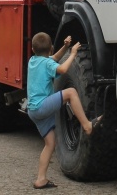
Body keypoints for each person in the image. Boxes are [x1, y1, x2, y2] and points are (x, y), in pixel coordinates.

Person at [27, 32, 101, 189]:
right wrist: (73, 53)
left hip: (33, 111)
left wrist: (65, 46)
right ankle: (87, 125)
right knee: (71, 93)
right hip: (41, 107)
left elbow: (53, 58)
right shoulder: (47, 64)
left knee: (50, 143)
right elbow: (62, 68)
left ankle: (41, 179)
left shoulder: (33, 61)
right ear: (51, 47)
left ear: (33, 49)